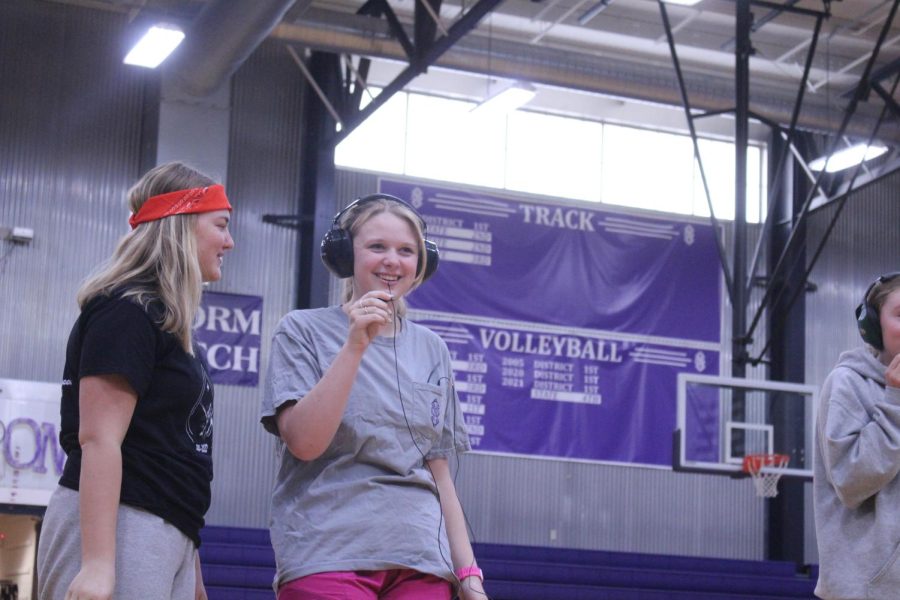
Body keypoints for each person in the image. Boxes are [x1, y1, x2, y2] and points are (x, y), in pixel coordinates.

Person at [260, 194, 487, 600]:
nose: (392, 261)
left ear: (422, 264)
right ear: (346, 255)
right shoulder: (301, 331)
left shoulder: (433, 349)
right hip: (326, 550)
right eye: (377, 247)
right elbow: (304, 443)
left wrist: (468, 573)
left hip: (421, 557)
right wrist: (354, 347)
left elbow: (439, 474)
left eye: (406, 251)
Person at [37, 162, 235, 600]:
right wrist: (97, 565)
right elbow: (98, 440)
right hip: (119, 526)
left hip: (165, 531)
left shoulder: (171, 324)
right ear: (181, 225)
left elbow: (176, 452)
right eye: (221, 225)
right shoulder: (126, 311)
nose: (229, 241)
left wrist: (191, 565)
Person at [814, 272, 900, 600]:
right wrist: (895, 402)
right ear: (874, 326)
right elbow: (851, 483)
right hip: (864, 592)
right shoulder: (847, 383)